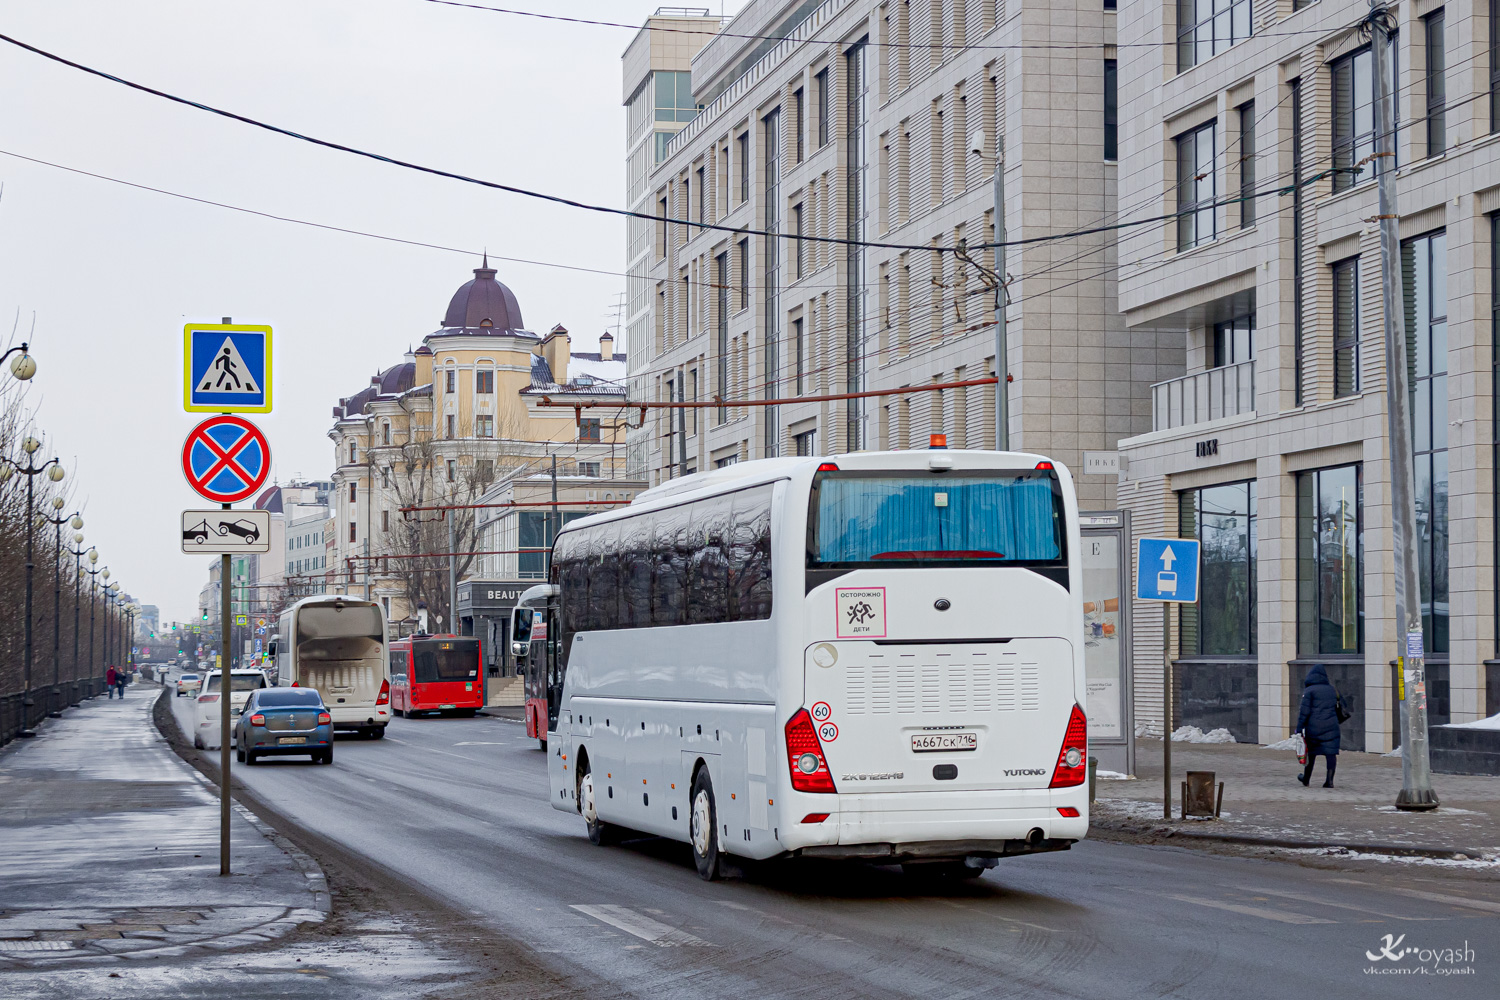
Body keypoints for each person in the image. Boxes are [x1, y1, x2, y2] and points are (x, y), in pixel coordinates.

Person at [1295, 664, 1343, 787]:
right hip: (1332, 726)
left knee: (1311, 753)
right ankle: (1329, 781)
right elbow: (1343, 706)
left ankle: (1306, 779)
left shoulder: (1309, 691)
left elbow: (1304, 712)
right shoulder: (1332, 689)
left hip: (1314, 727)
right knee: (1331, 753)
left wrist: (1299, 728)